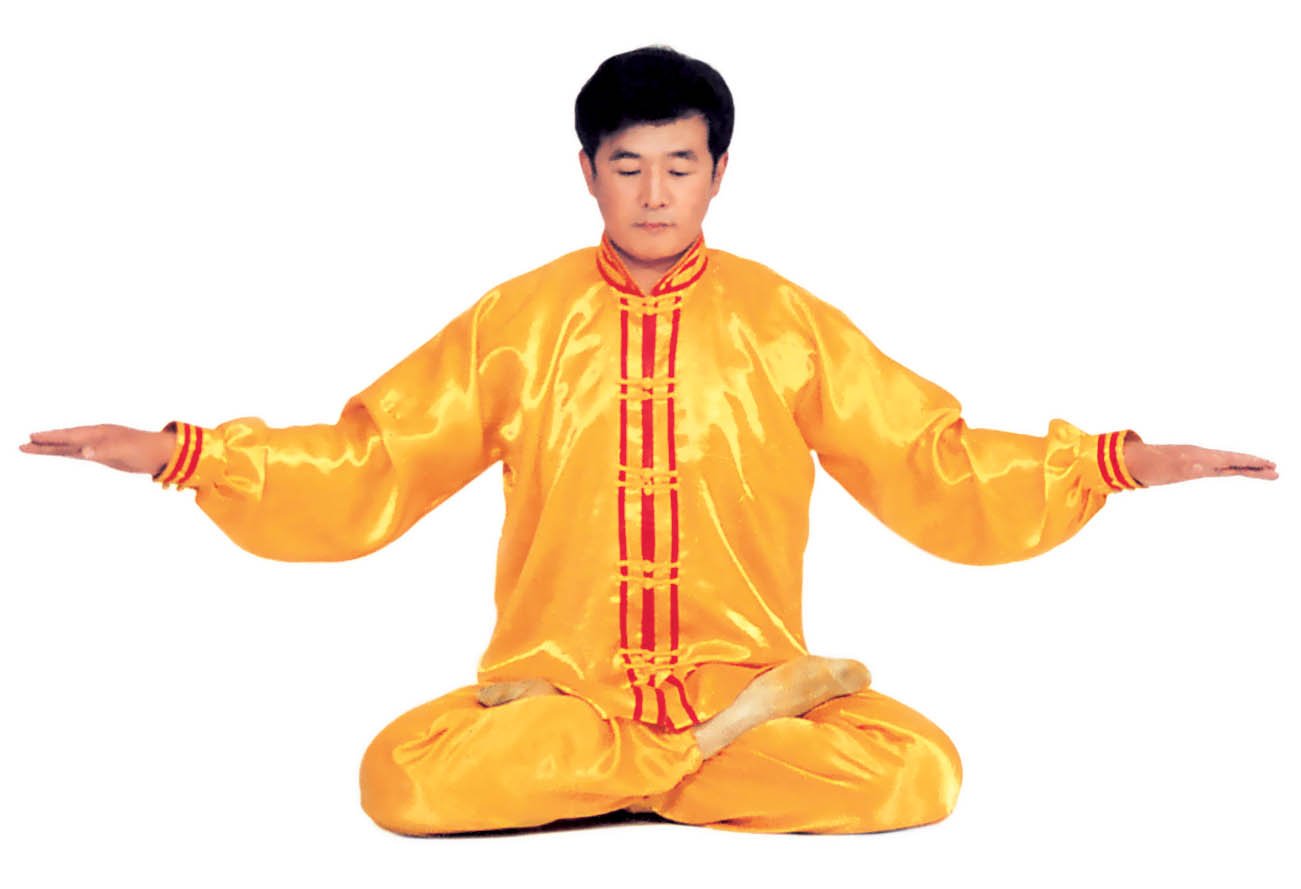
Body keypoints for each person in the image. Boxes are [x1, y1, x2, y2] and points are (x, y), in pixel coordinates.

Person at [19, 45, 1277, 836]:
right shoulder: (517, 322)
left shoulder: (783, 321)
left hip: (743, 685)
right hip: (557, 694)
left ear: (719, 171)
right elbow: (371, 459)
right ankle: (674, 771)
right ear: (587, 172)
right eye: (630, 166)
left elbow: (927, 459)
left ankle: (630, 774)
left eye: (681, 164)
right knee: (398, 778)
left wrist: (1113, 463)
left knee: (916, 775)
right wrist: (185, 454)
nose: (657, 192)